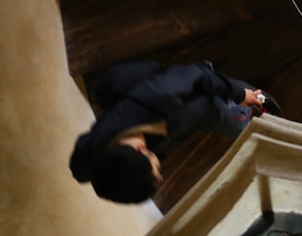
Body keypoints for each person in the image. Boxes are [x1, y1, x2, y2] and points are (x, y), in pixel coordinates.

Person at [69, 60, 279, 204]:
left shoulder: (161, 95)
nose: (161, 177)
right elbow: (81, 170)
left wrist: (240, 93)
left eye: (156, 173)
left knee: (220, 113)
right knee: (197, 112)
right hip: (136, 101)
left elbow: (197, 75)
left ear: (142, 148)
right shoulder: (86, 163)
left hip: (169, 87)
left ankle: (252, 101)